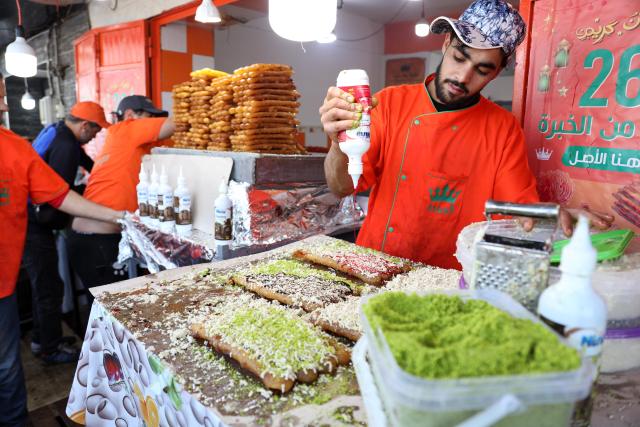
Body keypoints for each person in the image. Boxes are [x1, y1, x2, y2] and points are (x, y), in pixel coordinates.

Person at [320, 0, 612, 269]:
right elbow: (342, 186)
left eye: (482, 70)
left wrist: (553, 217)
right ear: (446, 43)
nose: (463, 77)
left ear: (496, 73)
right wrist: (336, 143)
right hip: (375, 263)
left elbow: (520, 210)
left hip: (446, 278)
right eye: (460, 58)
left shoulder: (502, 129)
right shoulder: (389, 103)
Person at [0, 76, 126, 427]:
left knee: (8, 368)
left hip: (3, 286)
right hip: (37, 237)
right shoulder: (62, 141)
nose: (6, 106)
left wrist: (118, 215)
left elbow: (60, 194)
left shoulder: (18, 145)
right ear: (84, 125)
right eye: (0, 100)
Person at [23, 102, 110, 365]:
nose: (95, 137)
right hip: (35, 225)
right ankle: (48, 348)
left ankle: (43, 338)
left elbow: (90, 165)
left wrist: (106, 174)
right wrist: (91, 201)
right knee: (48, 288)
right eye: (95, 132)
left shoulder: (57, 130)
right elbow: (58, 192)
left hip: (31, 220)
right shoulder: (66, 145)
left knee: (46, 284)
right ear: (85, 126)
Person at [68, 95, 175, 288]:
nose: (153, 123)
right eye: (150, 116)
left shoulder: (125, 141)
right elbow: (178, 123)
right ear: (129, 115)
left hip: (92, 238)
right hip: (98, 241)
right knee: (116, 310)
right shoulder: (126, 128)